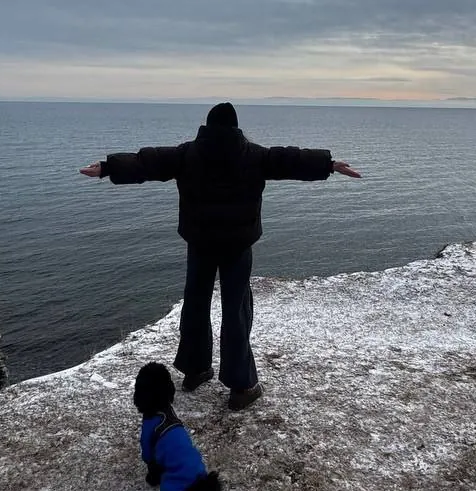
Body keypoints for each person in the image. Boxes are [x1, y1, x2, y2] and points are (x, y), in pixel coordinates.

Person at [80, 101, 361, 410]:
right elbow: (288, 160)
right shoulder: (254, 156)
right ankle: (241, 387)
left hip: (199, 243)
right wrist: (329, 164)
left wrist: (108, 167)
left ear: (207, 127)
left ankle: (195, 370)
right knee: (236, 311)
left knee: (196, 304)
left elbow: (148, 162)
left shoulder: (187, 154)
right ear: (235, 128)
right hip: (238, 247)